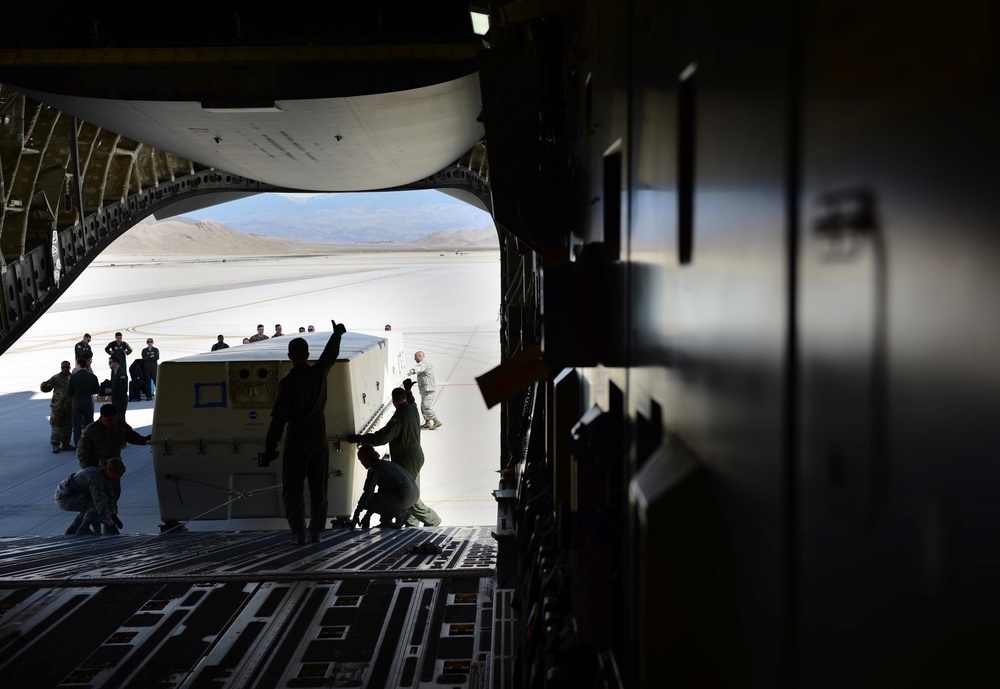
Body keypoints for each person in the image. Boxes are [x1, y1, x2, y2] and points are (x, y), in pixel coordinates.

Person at [262, 320, 347, 544]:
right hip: (318, 436)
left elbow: (277, 420)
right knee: (319, 486)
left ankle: (298, 532)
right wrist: (337, 334)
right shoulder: (318, 373)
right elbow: (330, 354)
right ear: (308, 354)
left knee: (293, 488)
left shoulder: (287, 383)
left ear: (290, 356)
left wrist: (269, 450)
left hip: (296, 437)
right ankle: (316, 531)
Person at [343, 387, 441, 527]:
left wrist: (359, 438)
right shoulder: (412, 408)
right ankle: (401, 522)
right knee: (404, 488)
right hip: (415, 456)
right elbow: (412, 401)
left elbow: (382, 437)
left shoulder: (400, 416)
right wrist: (409, 390)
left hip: (406, 459)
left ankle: (431, 519)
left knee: (407, 493)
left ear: (394, 401)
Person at [350, 445, 418, 529]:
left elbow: (368, 494)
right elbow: (381, 494)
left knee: (367, 501)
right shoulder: (385, 464)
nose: (361, 463)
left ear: (364, 458)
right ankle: (386, 521)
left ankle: (399, 513)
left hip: (404, 498)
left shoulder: (376, 468)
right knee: (380, 495)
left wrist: (357, 514)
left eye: (360, 460)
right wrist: (367, 516)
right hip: (413, 497)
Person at [53, 457, 126, 536]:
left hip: (69, 495)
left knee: (98, 506)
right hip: (65, 498)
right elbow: (98, 501)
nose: (117, 477)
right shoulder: (95, 477)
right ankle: (84, 528)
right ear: (109, 470)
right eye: (117, 474)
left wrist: (113, 513)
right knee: (99, 504)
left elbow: (110, 495)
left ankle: (72, 530)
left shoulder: (103, 475)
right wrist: (110, 523)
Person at [40, 360, 74, 453]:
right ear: (61, 368)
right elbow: (47, 388)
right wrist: (43, 386)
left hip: (69, 406)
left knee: (68, 426)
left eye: (67, 367)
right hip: (57, 406)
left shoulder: (73, 377)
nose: (65, 369)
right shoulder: (55, 378)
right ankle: (55, 444)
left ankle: (66, 444)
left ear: (69, 368)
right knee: (56, 426)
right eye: (63, 367)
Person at [66, 357, 100, 447]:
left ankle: (78, 444)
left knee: (77, 425)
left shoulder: (73, 377)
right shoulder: (92, 376)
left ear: (79, 365)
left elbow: (68, 392)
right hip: (87, 401)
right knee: (89, 423)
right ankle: (90, 443)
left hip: (76, 401)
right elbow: (96, 390)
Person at [408, 351, 441, 430]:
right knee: (423, 406)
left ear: (420, 356)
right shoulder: (424, 364)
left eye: (415, 357)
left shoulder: (424, 364)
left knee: (426, 406)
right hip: (425, 389)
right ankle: (427, 422)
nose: (414, 359)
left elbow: (419, 367)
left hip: (428, 389)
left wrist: (412, 371)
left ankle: (436, 421)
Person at [104, 356, 130, 423]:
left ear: (116, 363)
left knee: (120, 418)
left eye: (110, 362)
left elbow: (123, 389)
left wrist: (112, 391)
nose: (109, 364)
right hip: (115, 398)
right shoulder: (114, 373)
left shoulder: (121, 373)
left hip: (121, 399)